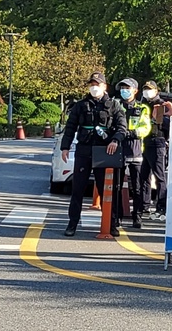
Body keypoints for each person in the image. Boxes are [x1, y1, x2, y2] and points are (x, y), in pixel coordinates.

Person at [61, 72, 127, 237]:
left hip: (104, 151)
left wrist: (115, 141)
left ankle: (111, 224)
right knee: (78, 189)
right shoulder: (81, 105)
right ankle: (72, 224)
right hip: (84, 149)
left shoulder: (114, 105)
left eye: (97, 84)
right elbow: (70, 127)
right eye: (91, 84)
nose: (94, 87)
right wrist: (65, 147)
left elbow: (122, 127)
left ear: (105, 86)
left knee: (108, 191)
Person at [116, 78, 151, 229]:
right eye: (122, 88)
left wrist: (131, 133)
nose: (124, 90)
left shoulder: (142, 108)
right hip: (118, 150)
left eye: (127, 88)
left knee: (137, 187)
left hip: (135, 150)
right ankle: (117, 216)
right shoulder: (116, 105)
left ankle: (137, 216)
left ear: (135, 91)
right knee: (116, 186)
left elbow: (146, 128)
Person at [140, 80, 172, 221]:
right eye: (145, 89)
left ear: (156, 91)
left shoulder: (162, 105)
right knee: (144, 176)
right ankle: (145, 206)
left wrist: (157, 119)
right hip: (145, 142)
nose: (147, 91)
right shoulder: (143, 104)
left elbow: (168, 125)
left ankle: (161, 207)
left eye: (150, 89)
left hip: (158, 142)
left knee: (159, 177)